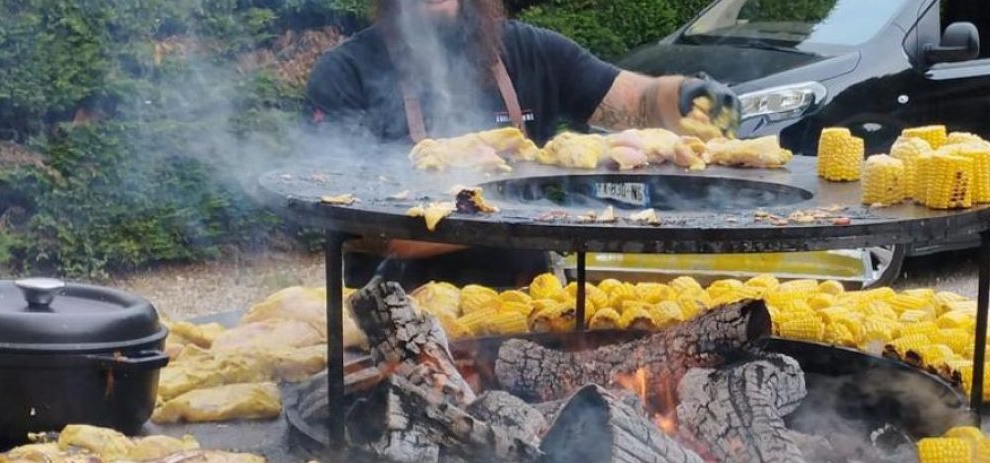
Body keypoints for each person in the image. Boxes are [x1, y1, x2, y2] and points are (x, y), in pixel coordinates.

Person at [306, 0, 741, 289]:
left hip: (527, 307)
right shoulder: (344, 74)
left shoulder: (532, 50)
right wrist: (545, 213)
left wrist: (683, 97)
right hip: (398, 320)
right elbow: (379, 233)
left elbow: (634, 102)